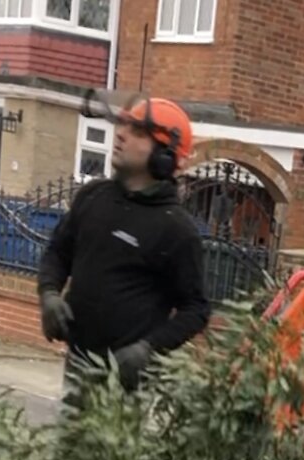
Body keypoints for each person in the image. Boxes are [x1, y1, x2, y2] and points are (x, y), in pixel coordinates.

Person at [37, 97, 211, 406]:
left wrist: (148, 348)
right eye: (124, 125)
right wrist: (49, 293)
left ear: (164, 158)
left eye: (138, 132)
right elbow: (58, 253)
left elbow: (195, 309)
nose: (121, 134)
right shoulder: (93, 197)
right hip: (77, 364)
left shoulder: (176, 230)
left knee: (108, 455)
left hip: (127, 382)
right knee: (70, 451)